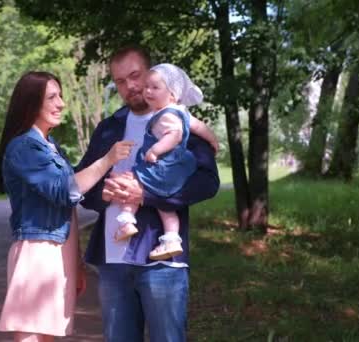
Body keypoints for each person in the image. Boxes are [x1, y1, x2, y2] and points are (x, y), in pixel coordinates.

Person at [75, 46, 220, 342]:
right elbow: (82, 187)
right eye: (120, 81)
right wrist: (106, 193)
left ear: (152, 72)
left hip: (162, 262)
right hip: (113, 263)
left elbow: (207, 181)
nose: (130, 87)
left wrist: (145, 194)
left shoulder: (179, 121)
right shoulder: (108, 128)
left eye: (135, 76)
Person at [0, 71, 133, 342]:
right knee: (31, 335)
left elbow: (67, 207)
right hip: (38, 252)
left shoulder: (49, 145)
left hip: (58, 252)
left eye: (60, 96)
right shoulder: (25, 146)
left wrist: (77, 262)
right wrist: (107, 160)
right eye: (52, 97)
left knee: (47, 335)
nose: (61, 103)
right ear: (31, 104)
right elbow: (64, 190)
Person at [110, 63, 219, 261]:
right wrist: (213, 141)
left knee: (131, 179)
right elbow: (201, 127)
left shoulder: (165, 116)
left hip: (161, 167)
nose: (147, 91)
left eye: (154, 87)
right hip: (177, 169)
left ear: (172, 95)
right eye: (147, 87)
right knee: (165, 206)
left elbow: (174, 135)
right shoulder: (183, 113)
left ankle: (126, 220)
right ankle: (171, 240)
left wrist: (155, 150)